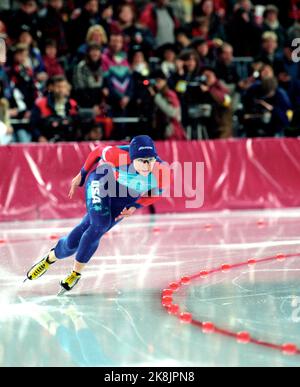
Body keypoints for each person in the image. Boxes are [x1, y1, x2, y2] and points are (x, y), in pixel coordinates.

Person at [25, 135, 171, 294]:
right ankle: (74, 272)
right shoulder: (118, 155)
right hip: (101, 181)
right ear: (132, 158)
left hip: (125, 196)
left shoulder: (162, 171)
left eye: (150, 160)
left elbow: (156, 193)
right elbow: (96, 152)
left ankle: (52, 260)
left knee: (81, 236)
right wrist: (82, 173)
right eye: (142, 161)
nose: (147, 165)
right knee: (99, 225)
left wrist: (136, 205)